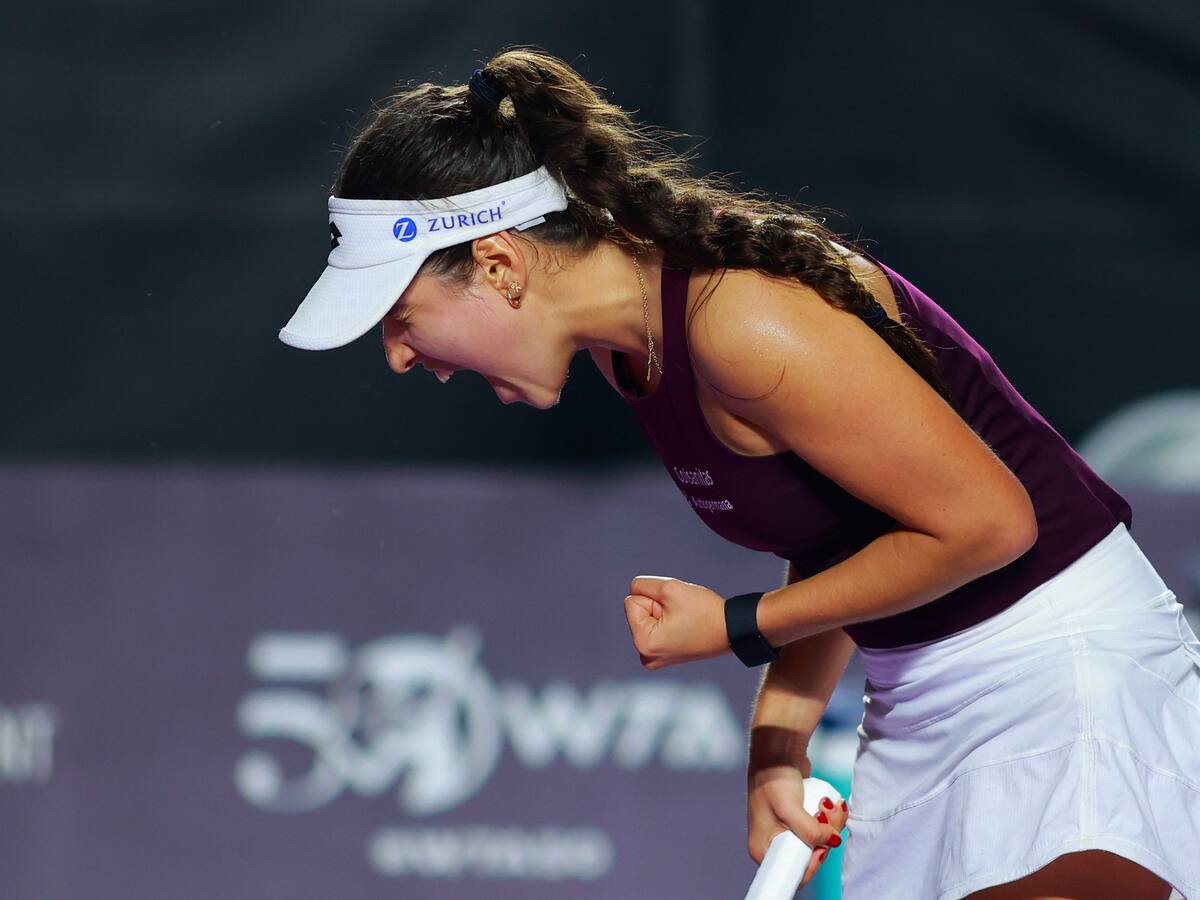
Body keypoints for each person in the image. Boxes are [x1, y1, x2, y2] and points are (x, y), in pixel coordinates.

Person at [278, 47, 1200, 899]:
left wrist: (735, 624)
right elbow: (842, 538)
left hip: (1062, 680)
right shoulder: (630, 348)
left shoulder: (741, 320)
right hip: (922, 702)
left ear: (500, 263)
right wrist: (777, 751)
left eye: (400, 316)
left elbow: (990, 525)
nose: (401, 357)